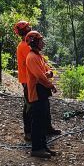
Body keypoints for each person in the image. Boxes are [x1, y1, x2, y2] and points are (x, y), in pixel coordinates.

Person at [25, 30, 57, 158]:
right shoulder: (32, 57)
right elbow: (40, 76)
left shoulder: (38, 56)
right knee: (37, 121)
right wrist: (51, 85)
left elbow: (47, 70)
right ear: (35, 42)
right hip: (37, 91)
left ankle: (43, 146)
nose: (43, 43)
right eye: (40, 40)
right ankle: (36, 148)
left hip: (42, 91)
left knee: (43, 119)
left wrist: (48, 74)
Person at [14, 20, 32, 140]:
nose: (30, 28)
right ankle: (28, 132)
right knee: (29, 105)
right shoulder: (25, 46)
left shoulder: (27, 44)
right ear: (24, 30)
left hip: (29, 78)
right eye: (28, 27)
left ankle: (46, 127)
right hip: (27, 79)